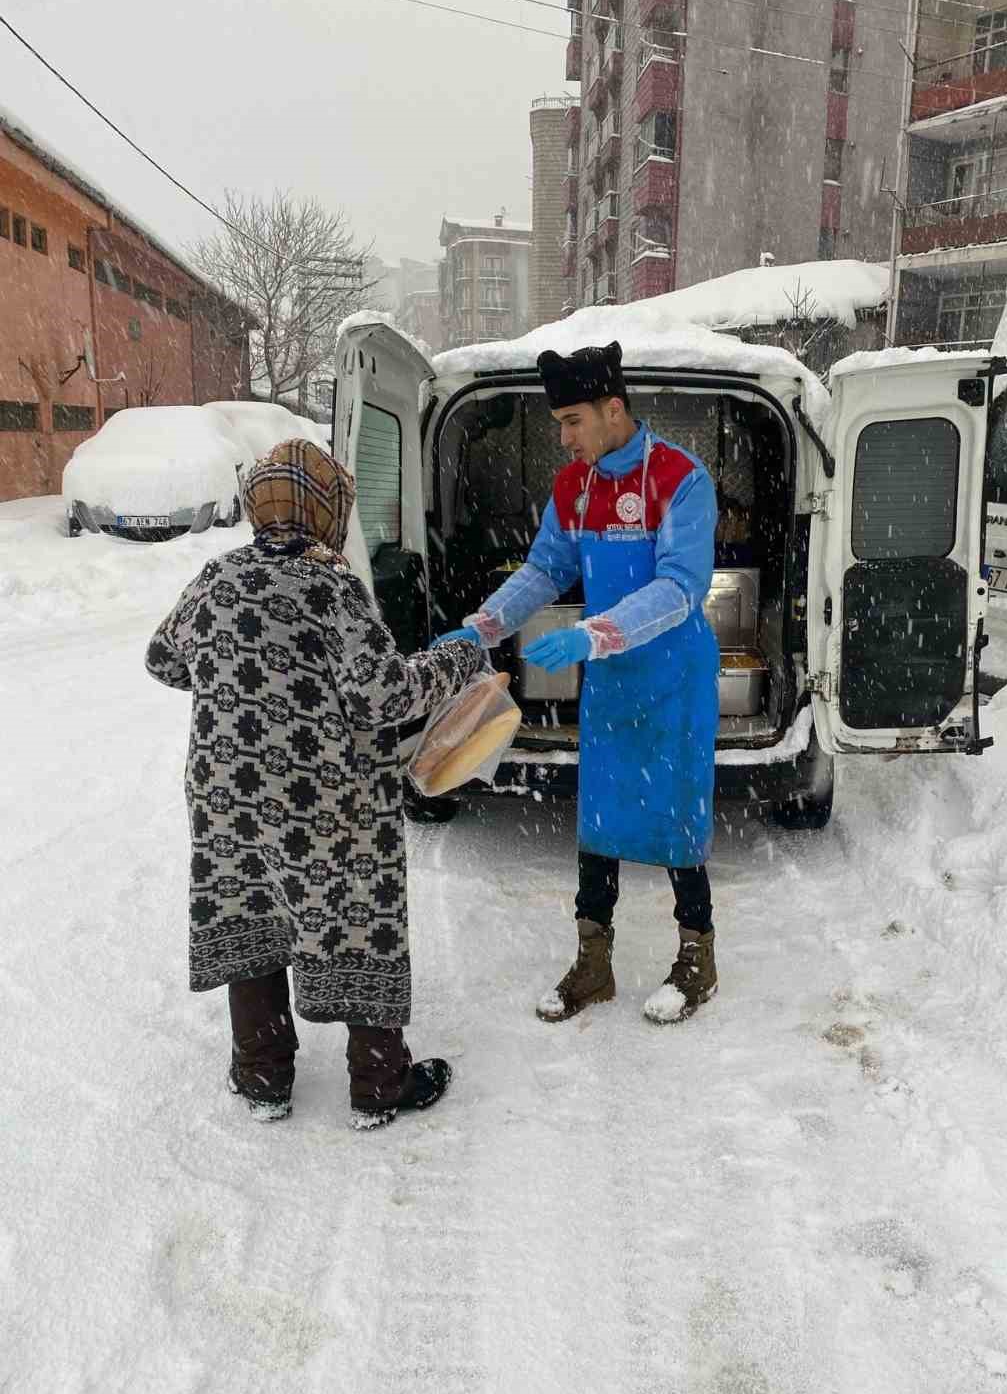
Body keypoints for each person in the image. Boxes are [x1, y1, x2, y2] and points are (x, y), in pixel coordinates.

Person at [145, 439, 481, 1127]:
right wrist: (456, 660)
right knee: (353, 918)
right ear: (326, 509)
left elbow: (162, 659)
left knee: (252, 912)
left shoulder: (215, 576)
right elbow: (384, 697)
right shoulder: (329, 586)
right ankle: (379, 1083)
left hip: (224, 794)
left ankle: (262, 1075)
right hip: (322, 797)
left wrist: (235, 686)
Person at [435, 341, 720, 1026]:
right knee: (599, 820)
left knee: (677, 819)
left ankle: (697, 958)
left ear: (612, 408)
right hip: (614, 682)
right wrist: (485, 626)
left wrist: (595, 634)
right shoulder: (575, 487)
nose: (562, 438)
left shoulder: (681, 479)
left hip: (675, 676)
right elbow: (544, 571)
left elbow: (681, 589)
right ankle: (594, 963)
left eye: (571, 422)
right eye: (558, 424)